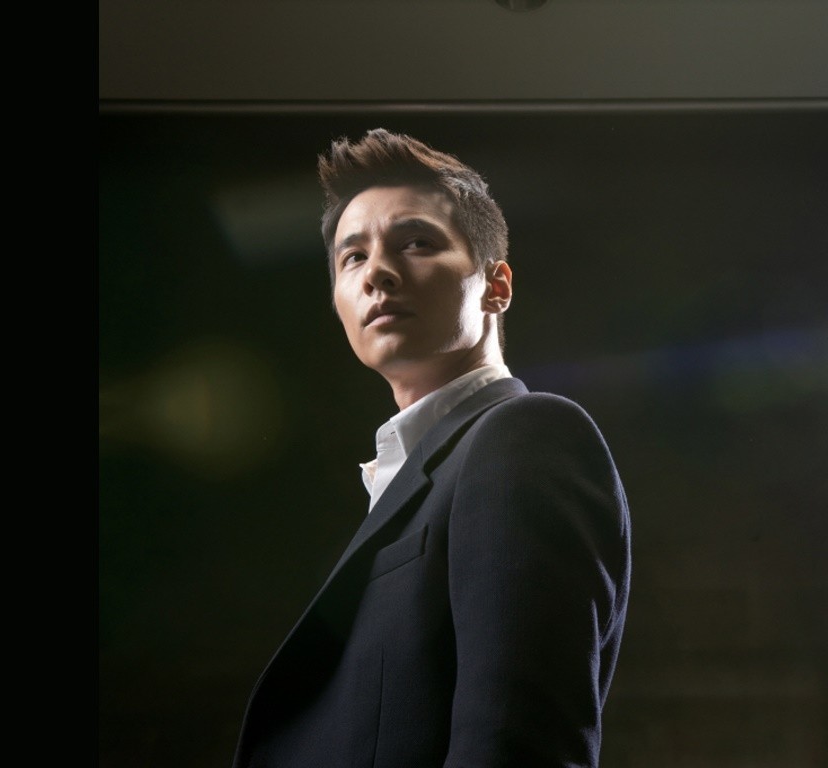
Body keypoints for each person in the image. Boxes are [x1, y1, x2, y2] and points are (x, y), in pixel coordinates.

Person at [232, 129, 631, 768]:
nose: (377, 273)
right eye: (352, 257)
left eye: (416, 242)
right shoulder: (407, 477)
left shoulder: (523, 437)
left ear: (496, 285)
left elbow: (519, 748)